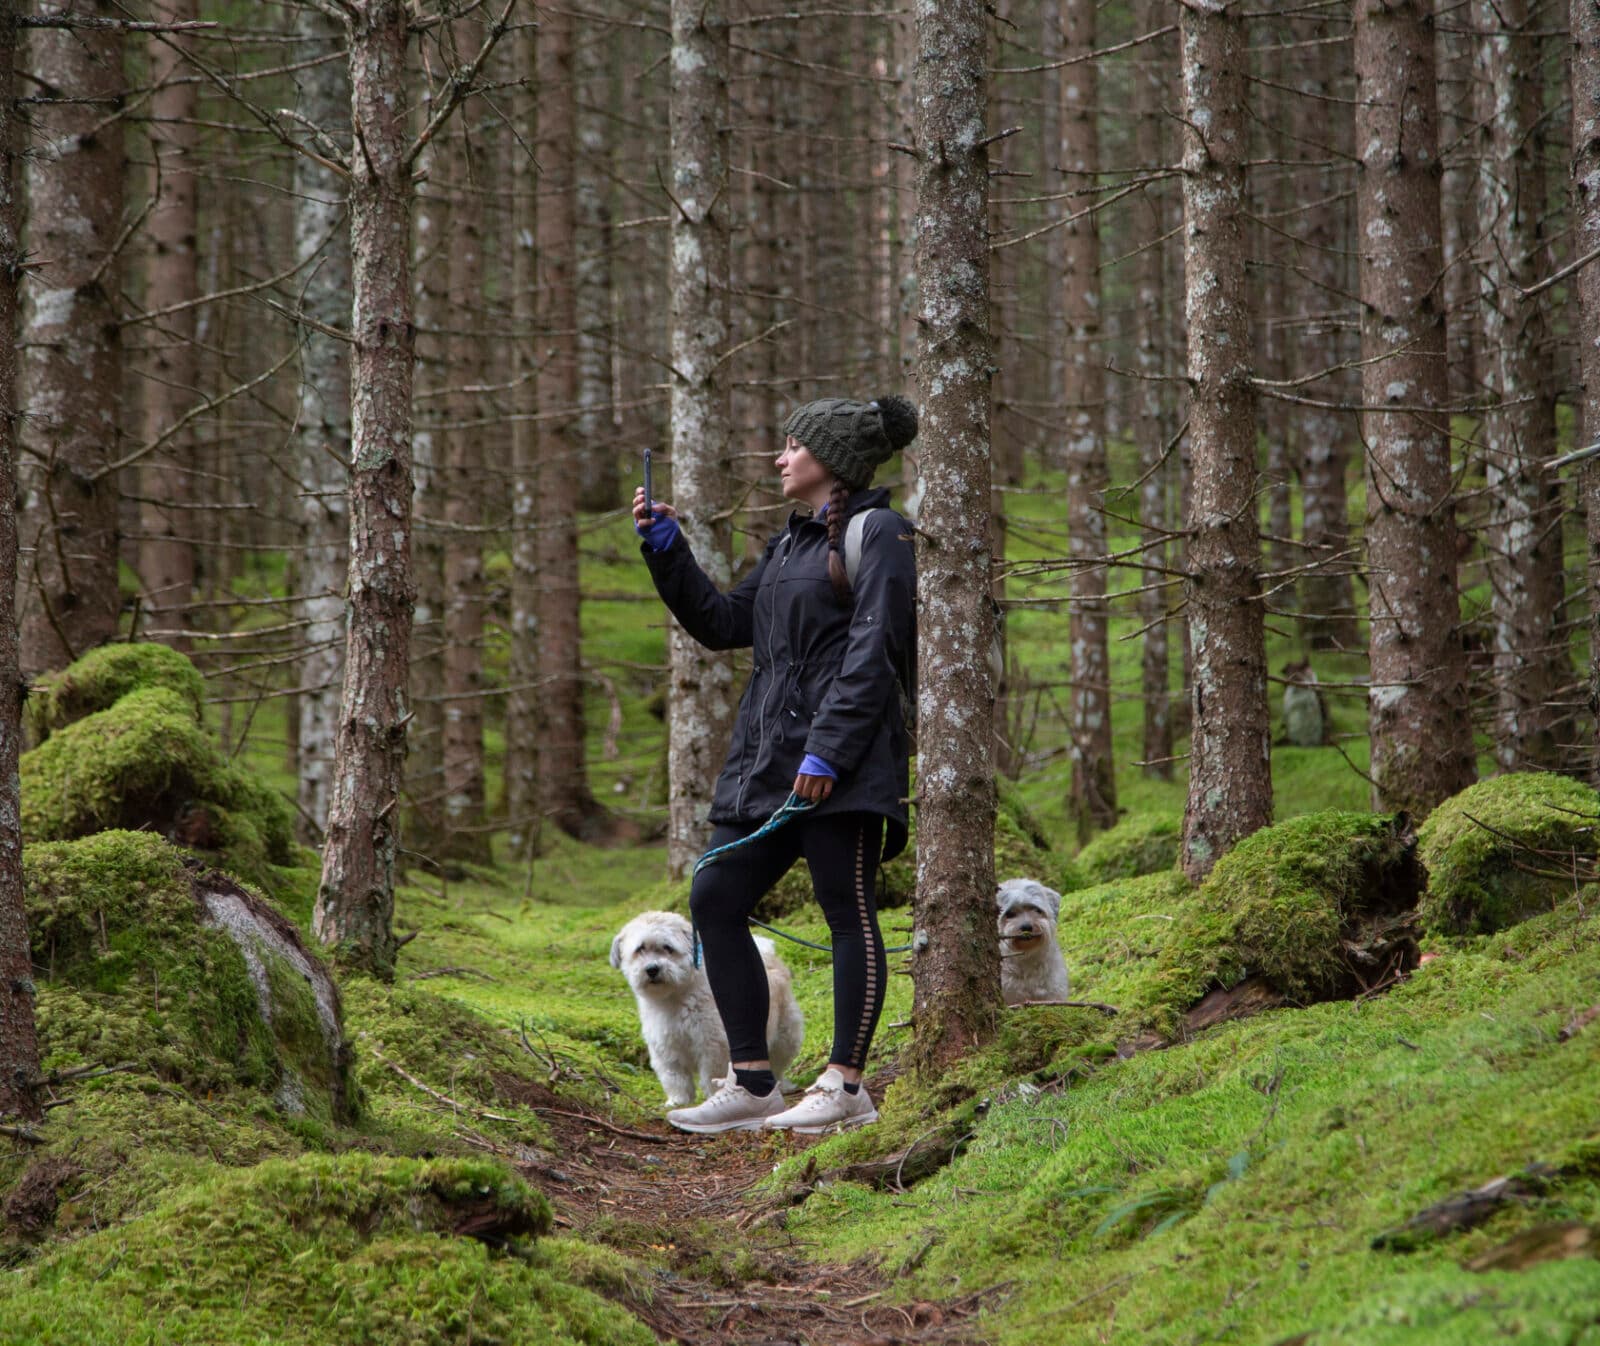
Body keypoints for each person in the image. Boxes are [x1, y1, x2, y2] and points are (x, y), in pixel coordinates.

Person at [632, 394, 919, 1135]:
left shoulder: (877, 532)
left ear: (831, 461)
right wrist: (669, 551)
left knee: (846, 913)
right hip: (766, 769)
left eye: (793, 445)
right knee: (715, 898)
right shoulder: (791, 544)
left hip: (843, 766)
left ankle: (846, 1085)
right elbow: (725, 623)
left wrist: (832, 748)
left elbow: (875, 648)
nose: (779, 456)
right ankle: (754, 1082)